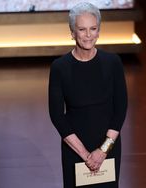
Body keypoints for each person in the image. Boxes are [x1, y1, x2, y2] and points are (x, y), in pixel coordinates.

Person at [49, 2, 127, 188]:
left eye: (93, 28)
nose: (88, 35)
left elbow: (120, 109)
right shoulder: (60, 67)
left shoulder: (113, 63)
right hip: (75, 149)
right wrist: (85, 155)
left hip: (108, 147)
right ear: (72, 32)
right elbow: (57, 116)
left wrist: (102, 151)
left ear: (99, 31)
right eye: (82, 29)